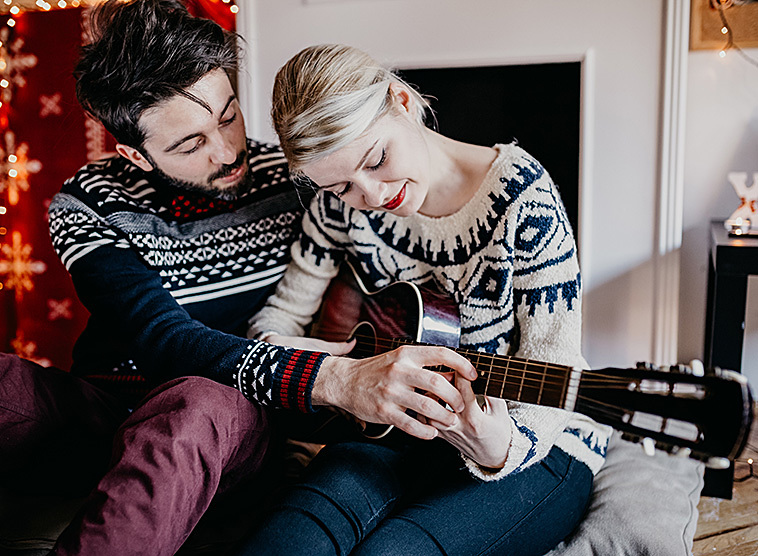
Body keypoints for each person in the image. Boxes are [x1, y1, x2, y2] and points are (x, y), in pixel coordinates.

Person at [1, 3, 479, 555]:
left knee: (195, 405)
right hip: (106, 416)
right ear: (136, 154)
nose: (228, 153)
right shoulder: (90, 201)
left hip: (231, 424)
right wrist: (337, 379)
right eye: (190, 144)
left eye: (228, 117)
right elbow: (166, 342)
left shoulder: (304, 178)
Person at [240, 43, 613, 556]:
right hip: (393, 431)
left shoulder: (522, 200)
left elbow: (555, 363)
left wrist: (498, 446)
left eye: (378, 159)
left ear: (403, 101)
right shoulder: (339, 208)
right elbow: (280, 316)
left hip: (537, 442)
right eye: (343, 185)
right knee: (286, 544)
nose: (371, 196)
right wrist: (319, 365)